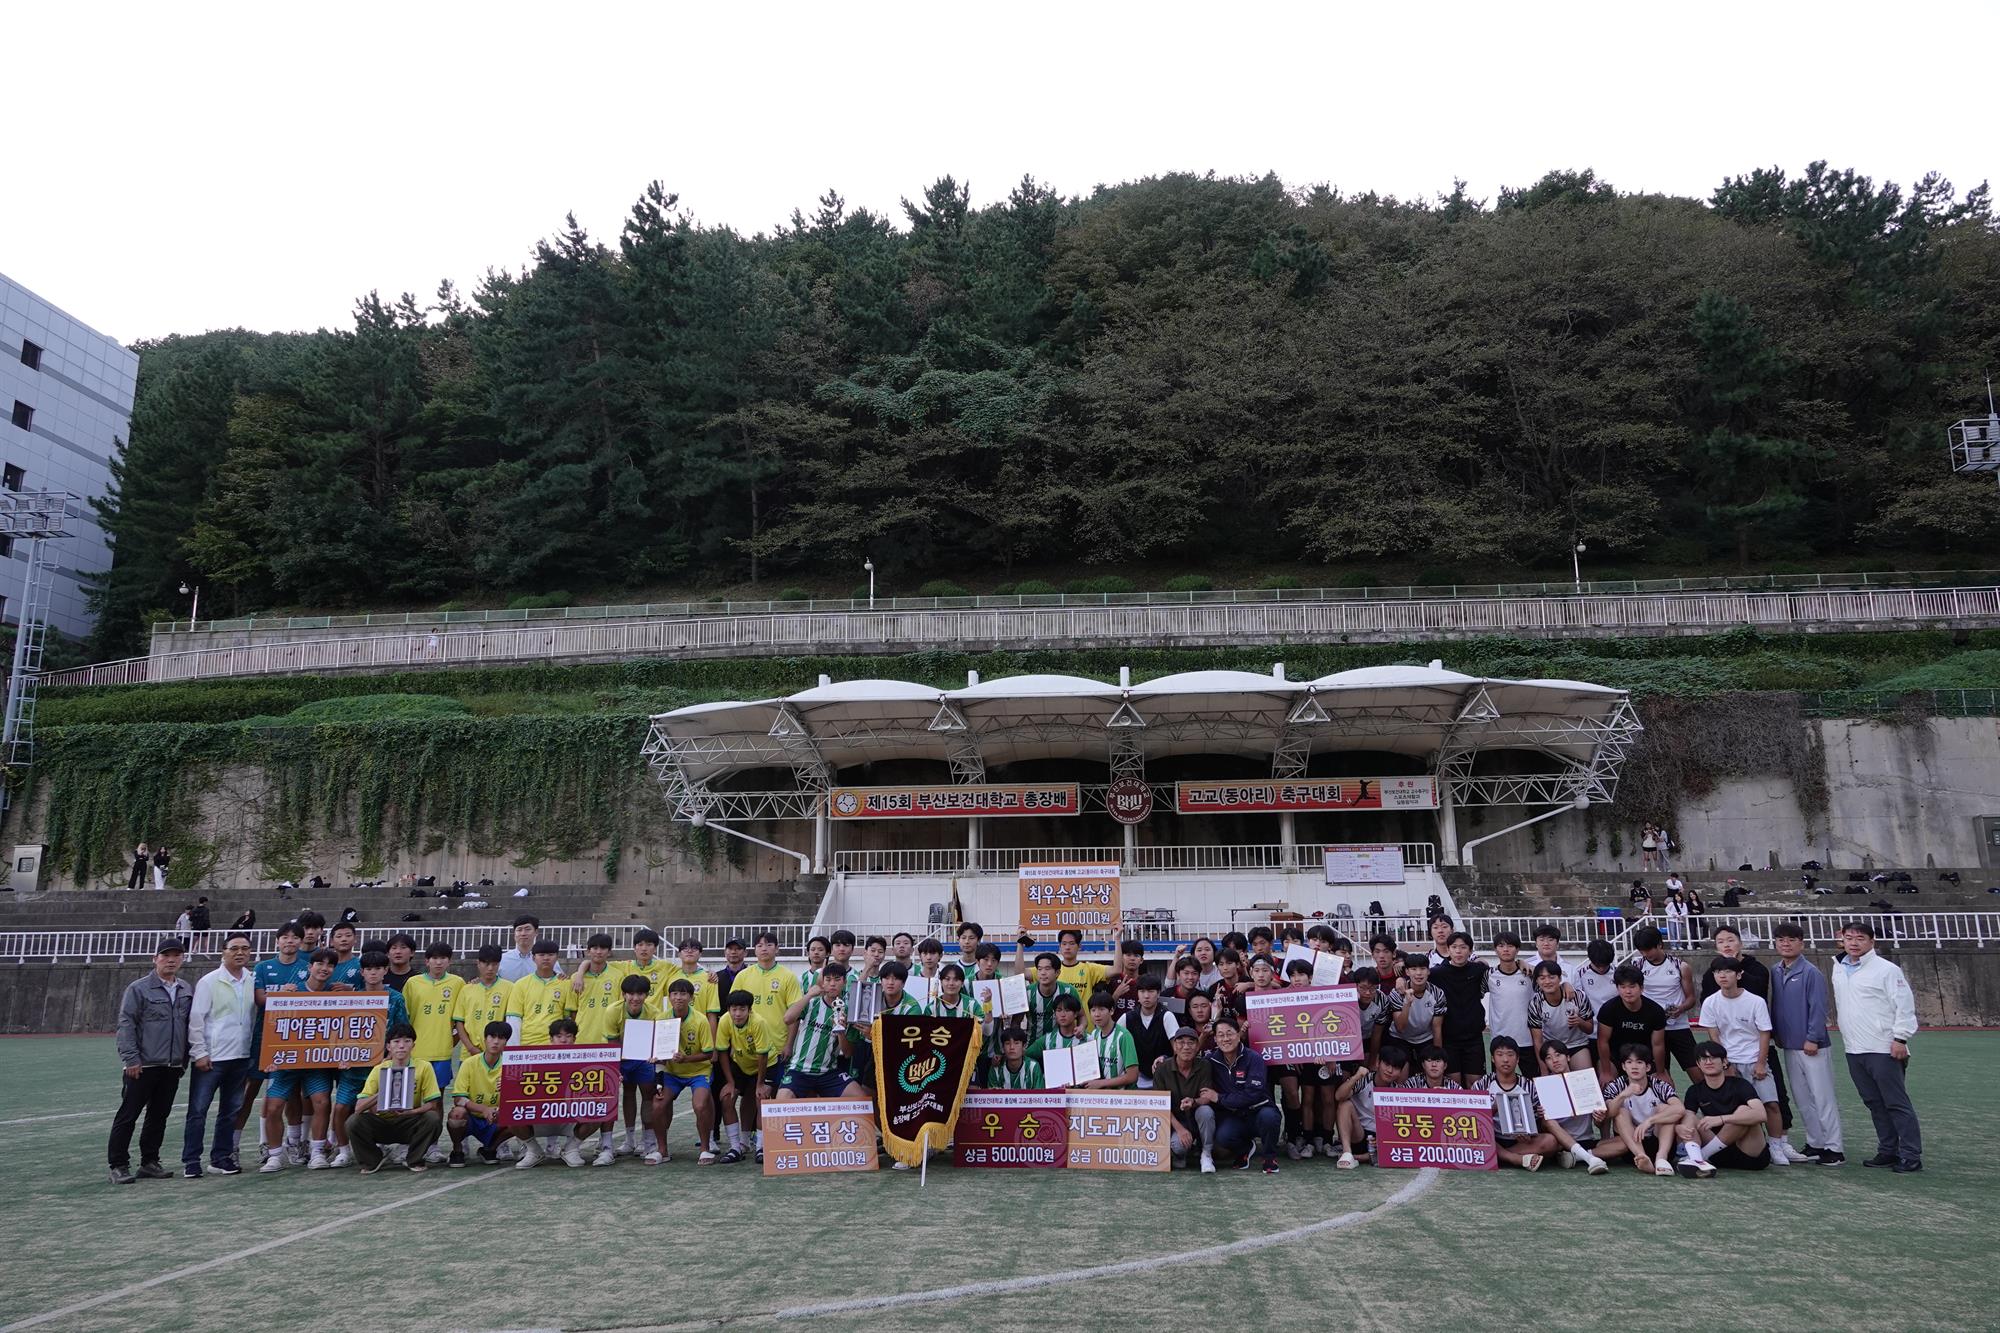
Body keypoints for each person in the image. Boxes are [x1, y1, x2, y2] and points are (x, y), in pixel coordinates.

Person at [1829, 920, 1921, 1173]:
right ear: (1842, 940)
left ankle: (1911, 1154)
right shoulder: (1838, 967)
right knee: (1873, 1102)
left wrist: (1901, 1038)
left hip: (1884, 1047)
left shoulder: (1887, 970)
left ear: (1872, 942)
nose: (1854, 943)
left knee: (1896, 1102)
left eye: (1860, 938)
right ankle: (1888, 1150)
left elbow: (1904, 1005)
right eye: (1849, 938)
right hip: (1854, 1048)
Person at [109, 939, 193, 1184]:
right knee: (128, 1115)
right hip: (143, 1065)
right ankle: (118, 1164)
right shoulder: (139, 988)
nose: (171, 960)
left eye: (177, 955)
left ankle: (149, 1161)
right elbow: (126, 1024)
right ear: (155, 959)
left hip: (171, 1066)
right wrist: (131, 1058)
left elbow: (189, 1027)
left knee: (159, 1115)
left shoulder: (185, 989)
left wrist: (183, 1060)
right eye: (166, 955)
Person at [1696, 956, 1795, 1162]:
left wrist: (1760, 1063)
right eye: (1717, 972)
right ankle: (1728, 1146)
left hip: (1754, 1061)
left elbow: (1764, 1033)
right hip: (1729, 1063)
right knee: (1738, 1111)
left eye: (1728, 971)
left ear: (1739, 974)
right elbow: (1714, 1036)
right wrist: (1725, 1065)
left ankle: (1775, 1146)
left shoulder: (1755, 1001)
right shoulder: (1710, 1002)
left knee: (1771, 1105)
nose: (1722, 975)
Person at [182, 931, 256, 1178]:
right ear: (223, 951)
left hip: (240, 1056)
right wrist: (200, 1052)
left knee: (230, 1110)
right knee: (198, 1110)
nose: (240, 953)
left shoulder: (251, 979)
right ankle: (191, 1160)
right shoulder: (209, 981)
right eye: (234, 948)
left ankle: (221, 1157)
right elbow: (196, 1020)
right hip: (212, 1058)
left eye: (245, 948)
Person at [259, 948, 340, 1172]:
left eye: (330, 965)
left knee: (322, 1101)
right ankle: (275, 1155)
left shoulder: (336, 996)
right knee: (273, 1106)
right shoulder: (291, 993)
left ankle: (316, 1151)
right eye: (319, 964)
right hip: (287, 1061)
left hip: (316, 1063)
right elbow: (273, 1025)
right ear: (309, 967)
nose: (324, 968)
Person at [1770, 922, 1844, 1165]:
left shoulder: (1811, 972)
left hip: (1813, 1046)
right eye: (1781, 940)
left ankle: (1834, 1148)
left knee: (1823, 1098)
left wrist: (1812, 1037)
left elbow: (1819, 1008)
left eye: (1791, 940)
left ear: (1801, 943)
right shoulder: (1776, 970)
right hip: (1789, 1045)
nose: (1786, 944)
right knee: (1802, 1098)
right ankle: (1815, 1143)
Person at [346, 1022, 444, 1173]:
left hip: (408, 1122)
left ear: (413, 1045)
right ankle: (371, 1160)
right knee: (353, 1121)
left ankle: (414, 1159)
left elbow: (432, 1104)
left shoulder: (424, 1067)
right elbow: (359, 1107)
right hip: (381, 1121)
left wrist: (411, 1112)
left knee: (432, 1118)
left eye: (407, 1041)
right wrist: (382, 1092)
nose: (401, 1046)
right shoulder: (379, 1070)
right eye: (396, 1041)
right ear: (388, 1047)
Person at [1601, 1045, 1707, 1176]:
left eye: (1639, 1062)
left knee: (1665, 1108)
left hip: (1659, 1141)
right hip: (1633, 1145)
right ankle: (1642, 1157)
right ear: (1623, 1066)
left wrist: (1649, 1121)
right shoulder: (1616, 1086)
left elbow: (1679, 1109)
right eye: (1629, 1062)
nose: (1634, 1066)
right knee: (1620, 1112)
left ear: (1648, 1067)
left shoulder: (1658, 1085)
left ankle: (1661, 1158)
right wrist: (1623, 1094)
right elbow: (1609, 1113)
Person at [650, 977, 718, 1164]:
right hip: (672, 1073)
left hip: (698, 1072)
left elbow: (708, 1053)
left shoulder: (700, 1020)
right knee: (657, 1105)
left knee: (700, 1105)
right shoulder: (662, 1019)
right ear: (669, 997)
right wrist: (656, 1058)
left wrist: (686, 1058)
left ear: (691, 997)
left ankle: (705, 1149)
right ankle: (662, 1150)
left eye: (683, 994)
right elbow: (657, 1050)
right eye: (674, 994)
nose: (678, 997)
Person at [1206, 1013, 1282, 1174]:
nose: (1225, 1039)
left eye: (1229, 1034)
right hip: (1234, 1116)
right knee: (1223, 1136)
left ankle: (1269, 1157)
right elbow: (1190, 1061)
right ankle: (1245, 1149)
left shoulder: (1254, 1058)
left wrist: (1219, 1098)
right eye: (1220, 1035)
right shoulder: (1211, 1060)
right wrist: (1164, 1058)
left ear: (1239, 1035)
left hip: (1259, 1111)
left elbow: (1252, 1094)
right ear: (1215, 1040)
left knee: (1269, 1117)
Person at [777, 964, 865, 1101]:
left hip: (828, 1072)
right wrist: (809, 994)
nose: (832, 984)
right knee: (781, 1100)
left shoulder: (849, 1012)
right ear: (822, 982)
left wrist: (841, 1031)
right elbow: (787, 1019)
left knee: (860, 1098)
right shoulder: (811, 1003)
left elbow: (848, 1054)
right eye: (828, 979)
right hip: (799, 1069)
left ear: (845, 982)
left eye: (837, 979)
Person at [715, 989, 785, 1162]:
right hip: (741, 1063)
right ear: (729, 1009)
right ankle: (737, 1146)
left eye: (742, 1009)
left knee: (761, 1098)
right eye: (734, 1009)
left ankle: (761, 1147)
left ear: (749, 1010)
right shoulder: (724, 1021)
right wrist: (730, 1082)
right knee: (726, 1098)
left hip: (766, 1065)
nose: (737, 1014)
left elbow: (762, 1055)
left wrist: (760, 1084)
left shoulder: (758, 1022)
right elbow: (722, 1052)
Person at [1683, 1040, 1771, 1170]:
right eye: (1704, 1059)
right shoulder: (1694, 1090)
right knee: (1689, 1119)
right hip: (1718, 1154)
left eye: (1713, 1057)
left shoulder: (1740, 1085)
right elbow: (1688, 1119)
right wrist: (1682, 1129)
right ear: (1698, 1064)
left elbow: (1761, 1114)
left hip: (1750, 1153)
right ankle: (1695, 1156)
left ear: (1724, 1062)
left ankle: (1700, 1157)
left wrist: (1722, 1119)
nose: (1708, 1062)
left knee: (1744, 1109)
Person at [1474, 1037, 1553, 1171]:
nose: (1505, 1060)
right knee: (1474, 1135)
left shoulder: (1528, 1086)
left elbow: (1535, 1120)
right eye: (1500, 1055)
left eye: (1510, 1055)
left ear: (1517, 1059)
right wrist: (1495, 1108)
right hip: (1492, 1137)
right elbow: (1475, 1118)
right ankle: (1516, 1159)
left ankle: (1499, 1157)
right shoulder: (1482, 1084)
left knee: (1550, 1141)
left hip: (1519, 1142)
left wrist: (1528, 1135)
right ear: (1493, 1058)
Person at [1534, 1043, 1612, 1173]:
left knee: (1624, 1142)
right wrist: (1541, 1115)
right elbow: (1543, 1128)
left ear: (1568, 1057)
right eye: (1548, 1058)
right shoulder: (1543, 1086)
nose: (1555, 1060)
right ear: (1545, 1063)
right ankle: (1590, 1159)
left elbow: (1599, 1123)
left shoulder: (1585, 1081)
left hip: (1587, 1140)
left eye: (1558, 1055)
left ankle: (1579, 1156)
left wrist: (1599, 1118)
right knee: (1548, 1121)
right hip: (1561, 1144)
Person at [1632, 926, 1699, 1072]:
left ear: (1660, 945)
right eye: (1641, 950)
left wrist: (1680, 1009)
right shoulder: (1636, 966)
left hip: (1677, 1025)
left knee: (1697, 1072)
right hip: (1651, 1028)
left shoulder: (1680, 967)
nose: (1645, 953)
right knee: (1658, 1075)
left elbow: (1691, 999)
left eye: (1648, 949)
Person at [445, 1021, 512, 1166]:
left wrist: (505, 1097)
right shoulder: (469, 1063)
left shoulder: (510, 1066)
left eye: (501, 1038)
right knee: (457, 1114)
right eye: (491, 1037)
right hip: (471, 1117)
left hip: (496, 1117)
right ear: (484, 1039)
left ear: (506, 1042)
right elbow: (458, 1099)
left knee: (518, 1116)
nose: (495, 1041)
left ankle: (490, 1149)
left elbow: (517, 1100)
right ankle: (457, 1150)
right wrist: (484, 1109)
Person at [1332, 1044, 1408, 1168]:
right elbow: (1338, 1096)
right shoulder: (1364, 1080)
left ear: (1400, 1072)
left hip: (1381, 1140)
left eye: (1395, 1068)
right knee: (1345, 1104)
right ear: (1378, 1062)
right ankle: (1347, 1153)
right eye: (1387, 1064)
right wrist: (1356, 1077)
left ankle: (1363, 1157)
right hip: (1358, 1134)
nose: (1389, 1070)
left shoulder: (1399, 1091)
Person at [1155, 1025, 1218, 1172]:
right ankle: (1181, 1154)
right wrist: (1180, 1128)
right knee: (1179, 1146)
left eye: (1191, 1043)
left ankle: (1206, 1154)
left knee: (1206, 1111)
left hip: (1196, 1117)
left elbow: (1206, 1097)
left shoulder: (1204, 1066)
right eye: (1181, 1042)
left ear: (1197, 1046)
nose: (1186, 1047)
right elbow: (1159, 1105)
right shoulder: (1162, 1069)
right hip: (1174, 1120)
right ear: (1174, 1046)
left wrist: (1194, 1102)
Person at [403, 942, 463, 1093]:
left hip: (442, 1051)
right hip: (416, 1050)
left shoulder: (458, 983)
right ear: (426, 961)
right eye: (434, 958)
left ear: (449, 961)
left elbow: (460, 1019)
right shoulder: (413, 983)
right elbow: (405, 1017)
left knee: (437, 1096)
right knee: (412, 1095)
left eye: (443, 958)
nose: (438, 962)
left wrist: (450, 1041)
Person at [1595, 963, 1669, 1077]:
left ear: (1641, 988)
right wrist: (1606, 1072)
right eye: (1623, 987)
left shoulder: (1656, 1011)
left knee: (1664, 1086)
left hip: (1644, 1059)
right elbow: (1602, 1041)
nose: (1628, 991)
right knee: (1605, 1083)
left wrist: (1661, 1073)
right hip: (1616, 1058)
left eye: (1632, 986)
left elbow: (1658, 1045)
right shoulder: (1608, 1009)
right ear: (1617, 988)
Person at [1527, 959, 1596, 1075]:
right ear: (1537, 981)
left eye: (1551, 977)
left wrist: (1579, 1022)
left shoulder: (1578, 997)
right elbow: (1538, 1041)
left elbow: (1590, 1029)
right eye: (1542, 978)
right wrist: (1544, 1071)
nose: (1547, 981)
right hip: (1552, 1048)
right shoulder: (1535, 1003)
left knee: (1585, 1081)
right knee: (1555, 1086)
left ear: (1560, 978)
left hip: (1577, 1044)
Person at [506, 939, 571, 1045]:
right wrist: (514, 1049)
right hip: (527, 1044)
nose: (546, 958)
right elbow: (514, 1019)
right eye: (541, 955)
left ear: (557, 957)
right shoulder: (521, 984)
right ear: (533, 958)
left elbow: (568, 1018)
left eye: (550, 954)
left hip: (555, 1045)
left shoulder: (566, 984)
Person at [1122, 974, 1180, 1089]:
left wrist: (1166, 1059)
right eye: (1142, 991)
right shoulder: (1128, 1017)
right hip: (1135, 1079)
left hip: (1164, 1078)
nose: (1146, 996)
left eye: (1151, 991)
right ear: (1137, 994)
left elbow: (1178, 1049)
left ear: (1158, 993)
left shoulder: (1167, 1016)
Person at [453, 945, 512, 1055]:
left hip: (498, 1053)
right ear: (478, 963)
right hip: (469, 1053)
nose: (490, 968)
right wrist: (470, 1048)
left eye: (494, 964)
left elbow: (510, 1020)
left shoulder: (509, 988)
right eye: (486, 963)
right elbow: (459, 1022)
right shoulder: (466, 989)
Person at [1385, 953, 1447, 1057]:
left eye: (1422, 969)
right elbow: (1400, 1027)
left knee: (1431, 1066)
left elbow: (1436, 1027)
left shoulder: (1438, 994)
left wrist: (1437, 1057)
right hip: (1400, 1038)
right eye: (1413, 969)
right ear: (1407, 972)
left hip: (1426, 1038)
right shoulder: (1396, 993)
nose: (1418, 973)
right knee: (1401, 1068)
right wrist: (1407, 1003)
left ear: (1428, 971)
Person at [1077, 991, 1140, 1090]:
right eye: (1093, 1010)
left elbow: (1132, 1076)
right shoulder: (1094, 1034)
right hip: (1101, 1098)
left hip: (1123, 1098)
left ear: (1111, 1011)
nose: (1097, 1014)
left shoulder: (1123, 1036)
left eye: (1101, 1009)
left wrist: (1101, 1083)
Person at [1485, 931, 1535, 1049]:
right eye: (1501, 946)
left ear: (1517, 950)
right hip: (1499, 1040)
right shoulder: (1489, 975)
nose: (1506, 949)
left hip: (1526, 1040)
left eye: (1510, 946)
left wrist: (1565, 984)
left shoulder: (1529, 973)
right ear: (1495, 950)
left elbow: (1548, 985)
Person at [1054, 928, 1107, 997]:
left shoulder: (1089, 968)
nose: (1067, 947)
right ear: (1060, 946)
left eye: (1072, 943)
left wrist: (1117, 939)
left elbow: (1116, 970)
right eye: (1064, 944)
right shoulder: (1051, 969)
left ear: (1079, 946)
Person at [498, 915, 552, 983]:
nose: (523, 933)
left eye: (527, 929)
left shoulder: (546, 959)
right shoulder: (501, 960)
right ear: (514, 933)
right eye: (519, 930)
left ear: (536, 932)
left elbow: (558, 979)